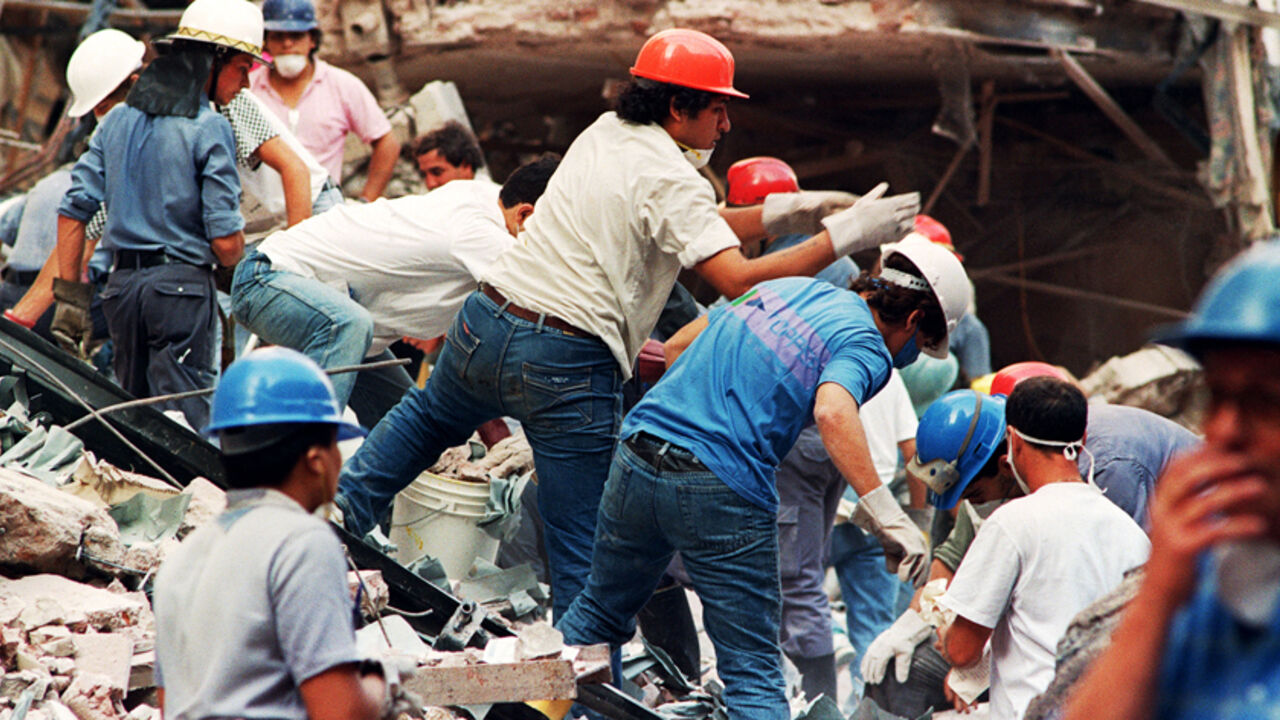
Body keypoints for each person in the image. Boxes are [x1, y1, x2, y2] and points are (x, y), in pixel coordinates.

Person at [333, 27, 921, 618]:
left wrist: (796, 207)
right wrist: (841, 235)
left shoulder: (605, 133)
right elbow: (738, 279)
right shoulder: (673, 177)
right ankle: (582, 687)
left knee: (423, 421)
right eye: (718, 109)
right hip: (566, 359)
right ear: (677, 106)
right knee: (580, 549)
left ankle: (331, 524)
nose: (725, 126)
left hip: (487, 319)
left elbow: (692, 219)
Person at [556, 237, 971, 719]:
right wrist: (889, 515)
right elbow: (834, 411)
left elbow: (678, 345)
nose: (912, 356)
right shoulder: (868, 346)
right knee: (753, 671)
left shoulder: (789, 288)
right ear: (916, 320)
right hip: (721, 482)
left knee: (595, 618)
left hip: (639, 452)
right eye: (920, 346)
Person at [1063, 240, 1280, 720]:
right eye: (1216, 398)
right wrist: (1158, 596)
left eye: (1265, 402)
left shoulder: (1110, 457)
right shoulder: (1210, 580)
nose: (1222, 431)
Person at [19, 0, 255, 429]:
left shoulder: (115, 122)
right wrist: (240, 260)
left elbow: (73, 212)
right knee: (187, 422)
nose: (247, 84)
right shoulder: (209, 125)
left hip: (122, 295)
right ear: (214, 62)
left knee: (135, 421)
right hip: (180, 291)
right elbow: (224, 242)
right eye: (243, 68)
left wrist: (72, 299)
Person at [231, 155, 559, 427]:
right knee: (348, 325)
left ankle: (360, 503)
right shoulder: (481, 231)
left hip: (349, 332)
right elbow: (547, 307)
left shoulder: (486, 198)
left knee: (411, 431)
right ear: (525, 215)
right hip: (269, 277)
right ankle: (297, 473)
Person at [152, 347, 390, 720]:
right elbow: (339, 712)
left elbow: (170, 704)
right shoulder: (302, 542)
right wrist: (381, 687)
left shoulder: (181, 559)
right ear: (316, 459)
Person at [937, 377, 1150, 720]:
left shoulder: (1013, 523)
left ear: (1014, 441)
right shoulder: (1132, 533)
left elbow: (962, 651)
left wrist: (945, 631)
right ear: (1081, 441)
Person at [0, 28, 142, 343]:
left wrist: (20, 317)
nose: (100, 116)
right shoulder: (111, 159)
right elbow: (87, 233)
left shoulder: (146, 144)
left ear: (135, 84)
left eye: (103, 106)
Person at [250, 0, 400, 201]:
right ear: (266, 41)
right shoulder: (248, 88)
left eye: (296, 36)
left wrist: (367, 201)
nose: (287, 44)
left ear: (312, 39)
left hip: (322, 210)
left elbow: (386, 141)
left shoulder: (341, 85)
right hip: (264, 215)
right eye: (278, 36)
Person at [412, 121, 490, 190]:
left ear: (466, 166)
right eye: (423, 175)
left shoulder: (494, 203)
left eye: (437, 172)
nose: (430, 184)